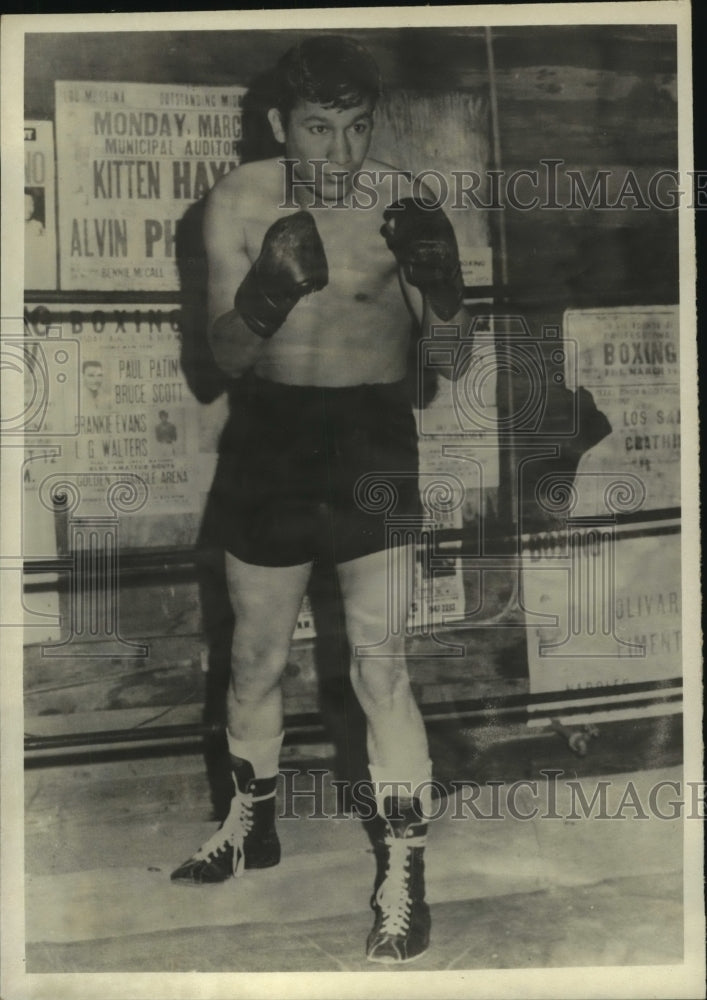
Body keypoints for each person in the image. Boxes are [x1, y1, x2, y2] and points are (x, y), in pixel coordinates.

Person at [171, 35, 470, 964]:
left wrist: (443, 286)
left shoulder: (403, 206)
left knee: (380, 666)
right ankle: (249, 822)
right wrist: (267, 295)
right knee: (255, 657)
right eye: (317, 130)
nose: (340, 153)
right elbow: (220, 362)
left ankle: (402, 876)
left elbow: (450, 361)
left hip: (372, 439)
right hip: (270, 440)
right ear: (278, 123)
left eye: (356, 128)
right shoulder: (236, 201)